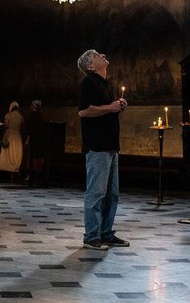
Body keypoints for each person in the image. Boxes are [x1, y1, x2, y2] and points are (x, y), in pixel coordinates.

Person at [77, 49, 129, 250]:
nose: (102, 55)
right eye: (97, 55)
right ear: (91, 66)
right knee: (96, 193)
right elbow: (83, 111)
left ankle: (106, 233)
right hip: (97, 146)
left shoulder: (105, 84)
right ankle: (91, 237)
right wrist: (111, 107)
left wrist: (117, 105)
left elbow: (107, 109)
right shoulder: (88, 83)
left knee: (112, 194)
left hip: (111, 146)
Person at [0, 101, 24, 181]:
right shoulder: (20, 116)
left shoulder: (8, 115)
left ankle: (6, 170)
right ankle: (15, 169)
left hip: (10, 136)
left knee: (8, 154)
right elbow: (22, 125)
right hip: (17, 137)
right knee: (16, 153)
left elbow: (6, 125)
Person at [24, 99, 46, 183]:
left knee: (31, 157)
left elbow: (31, 129)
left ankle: (31, 175)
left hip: (34, 139)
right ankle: (35, 175)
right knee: (36, 158)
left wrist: (27, 139)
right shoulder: (39, 115)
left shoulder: (34, 115)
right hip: (38, 139)